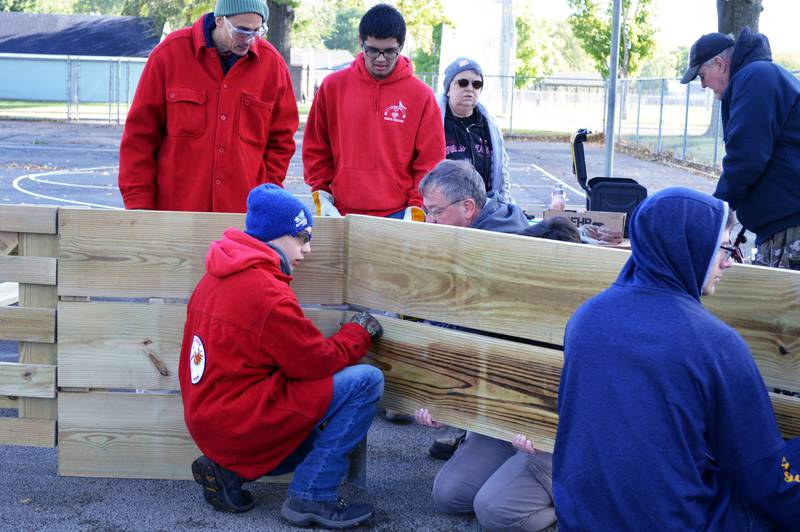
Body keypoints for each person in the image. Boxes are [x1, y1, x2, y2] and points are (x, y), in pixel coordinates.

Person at [553, 187, 800, 530]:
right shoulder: (715, 344)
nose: (729, 261)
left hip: (582, 519)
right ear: (690, 248)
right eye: (723, 248)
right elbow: (764, 477)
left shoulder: (586, 318)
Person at [179, 184, 385, 529]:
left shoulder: (213, 277)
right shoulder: (266, 292)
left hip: (210, 423)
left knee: (313, 424)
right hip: (240, 425)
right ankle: (312, 495)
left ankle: (227, 470)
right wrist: (358, 333)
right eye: (302, 237)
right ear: (277, 236)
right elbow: (316, 362)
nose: (307, 249)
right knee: (366, 382)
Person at [119, 0, 299, 213]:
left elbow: (281, 143)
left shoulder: (272, 67)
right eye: (241, 31)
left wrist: (266, 197)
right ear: (220, 20)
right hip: (175, 211)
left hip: (242, 214)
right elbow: (139, 136)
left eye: (256, 31)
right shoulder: (169, 54)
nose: (249, 39)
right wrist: (139, 203)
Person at [302, 3, 445, 220]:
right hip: (341, 210)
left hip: (398, 214)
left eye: (389, 52)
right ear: (361, 42)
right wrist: (321, 192)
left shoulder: (421, 96)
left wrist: (417, 207)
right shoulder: (333, 87)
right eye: (372, 50)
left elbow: (430, 161)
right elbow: (316, 147)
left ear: (401, 46)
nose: (380, 59)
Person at [681, 28, 800, 270]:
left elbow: (747, 156)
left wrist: (720, 209)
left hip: (791, 224)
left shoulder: (756, 77)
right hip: (783, 222)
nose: (703, 85)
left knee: (781, 305)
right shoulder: (756, 77)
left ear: (719, 63)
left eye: (702, 76)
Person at [438, 57, 512, 203]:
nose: (470, 88)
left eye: (476, 84)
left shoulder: (491, 129)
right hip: (445, 208)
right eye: (463, 83)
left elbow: (502, 176)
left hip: (484, 208)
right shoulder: (434, 123)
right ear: (448, 90)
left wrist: (505, 204)